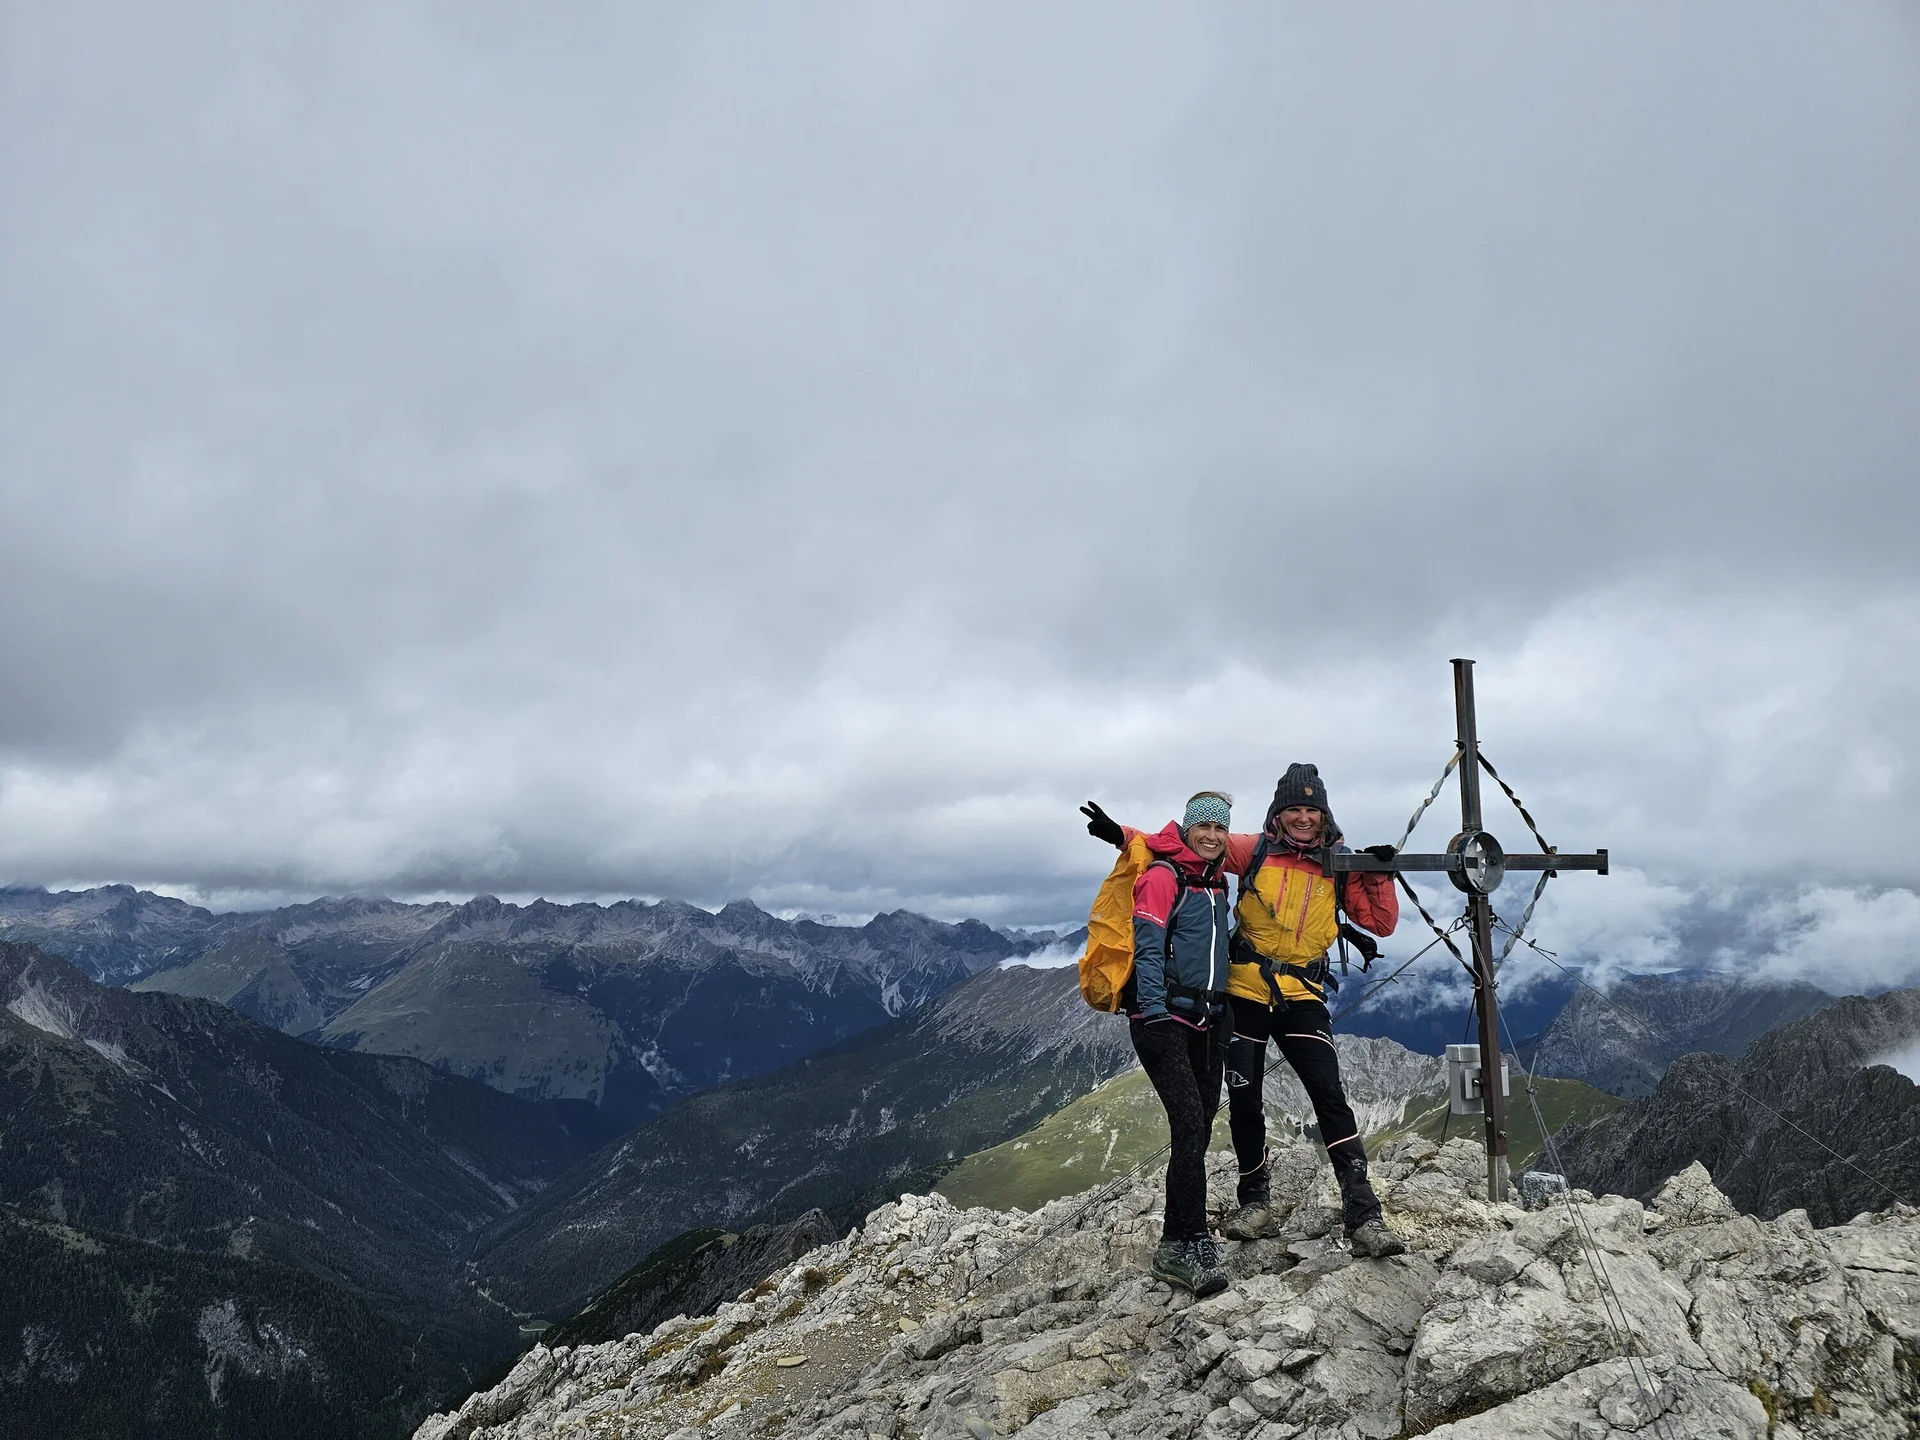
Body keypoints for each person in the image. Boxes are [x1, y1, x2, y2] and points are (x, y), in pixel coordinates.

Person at [1081, 762, 1409, 1259]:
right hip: (1244, 990)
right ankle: (1254, 1202)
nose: (1303, 818)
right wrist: (1121, 835)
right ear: (1278, 813)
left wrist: (1377, 872)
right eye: (1293, 809)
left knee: (1330, 1097)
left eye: (1311, 810)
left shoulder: (1340, 862)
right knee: (1245, 1098)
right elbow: (1188, 842)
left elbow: (1380, 923)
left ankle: (1364, 1213)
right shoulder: (1253, 849)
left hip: (1301, 994)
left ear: (1324, 815)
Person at [1120, 790, 1237, 1297]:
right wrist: (1155, 1015)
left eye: (1220, 828)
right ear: (1187, 830)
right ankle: (1185, 1241)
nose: (1211, 836)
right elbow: (1147, 949)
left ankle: (1182, 1239)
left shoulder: (1218, 883)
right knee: (1189, 1123)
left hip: (1210, 1019)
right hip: (1163, 1019)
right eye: (1203, 827)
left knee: (1198, 1128)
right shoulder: (1163, 877)